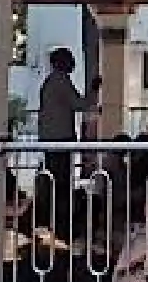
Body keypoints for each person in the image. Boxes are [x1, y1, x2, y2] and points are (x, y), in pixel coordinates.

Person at [37, 48, 101, 235]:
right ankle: (61, 222)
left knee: (55, 180)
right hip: (59, 139)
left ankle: (54, 219)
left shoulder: (50, 82)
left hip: (50, 138)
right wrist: (94, 90)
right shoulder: (61, 81)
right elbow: (80, 104)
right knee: (61, 182)